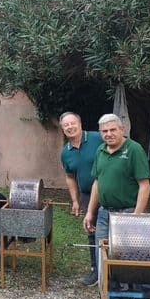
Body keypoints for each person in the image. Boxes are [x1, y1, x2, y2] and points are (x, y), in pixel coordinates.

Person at [83, 114, 150, 299]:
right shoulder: (100, 151)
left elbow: (144, 186)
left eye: (113, 130)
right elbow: (97, 182)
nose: (109, 134)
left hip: (128, 212)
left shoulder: (134, 150)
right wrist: (90, 212)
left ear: (122, 130)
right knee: (103, 256)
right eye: (104, 131)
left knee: (134, 257)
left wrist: (136, 217)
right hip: (104, 214)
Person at [59, 112, 104, 286]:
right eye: (66, 125)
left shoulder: (97, 138)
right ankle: (95, 270)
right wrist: (75, 200)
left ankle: (116, 272)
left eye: (72, 123)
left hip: (108, 192)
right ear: (63, 129)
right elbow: (70, 176)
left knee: (113, 233)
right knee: (91, 231)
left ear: (80, 123)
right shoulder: (66, 152)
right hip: (86, 195)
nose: (70, 127)